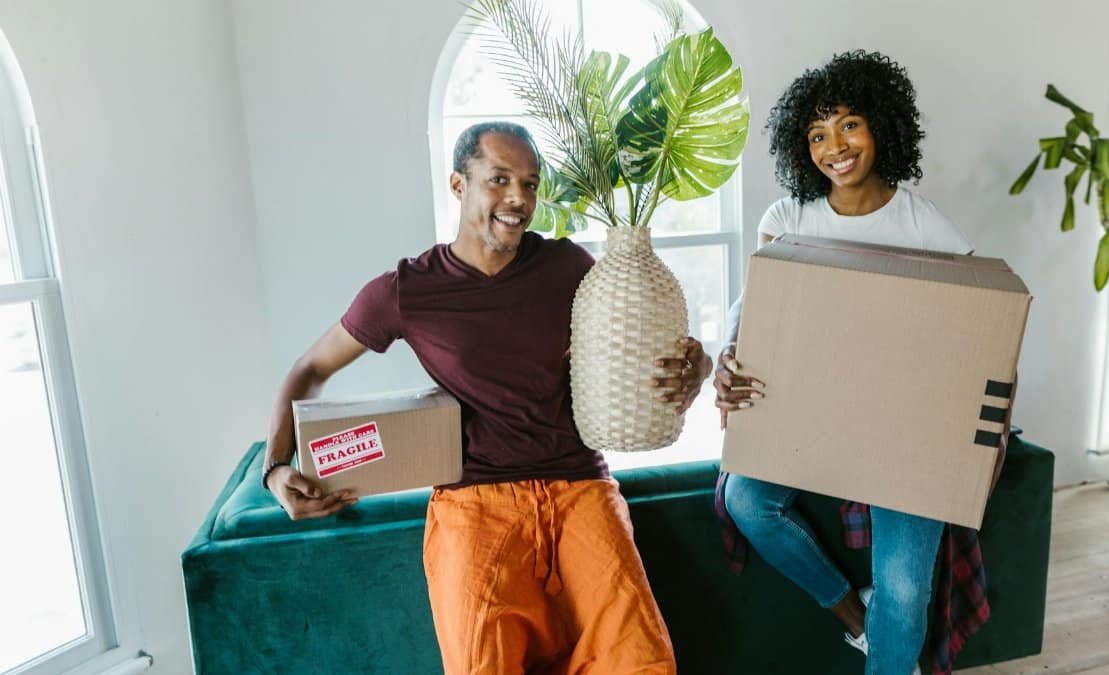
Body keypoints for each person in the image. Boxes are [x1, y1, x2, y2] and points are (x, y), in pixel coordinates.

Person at [261, 121, 711, 674]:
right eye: (499, 179)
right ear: (458, 184)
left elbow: (639, 354)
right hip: (475, 500)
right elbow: (309, 368)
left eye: (530, 183)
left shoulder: (569, 269)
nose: (518, 199)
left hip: (580, 486)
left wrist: (694, 369)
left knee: (643, 663)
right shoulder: (407, 291)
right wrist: (276, 469)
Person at [714, 51, 1002, 675]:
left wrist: (990, 428)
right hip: (812, 418)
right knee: (745, 500)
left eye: (848, 124)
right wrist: (727, 361)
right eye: (817, 134)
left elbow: (986, 330)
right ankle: (852, 611)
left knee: (905, 590)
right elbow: (755, 316)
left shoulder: (926, 227)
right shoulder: (787, 218)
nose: (834, 147)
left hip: (907, 433)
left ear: (881, 126)